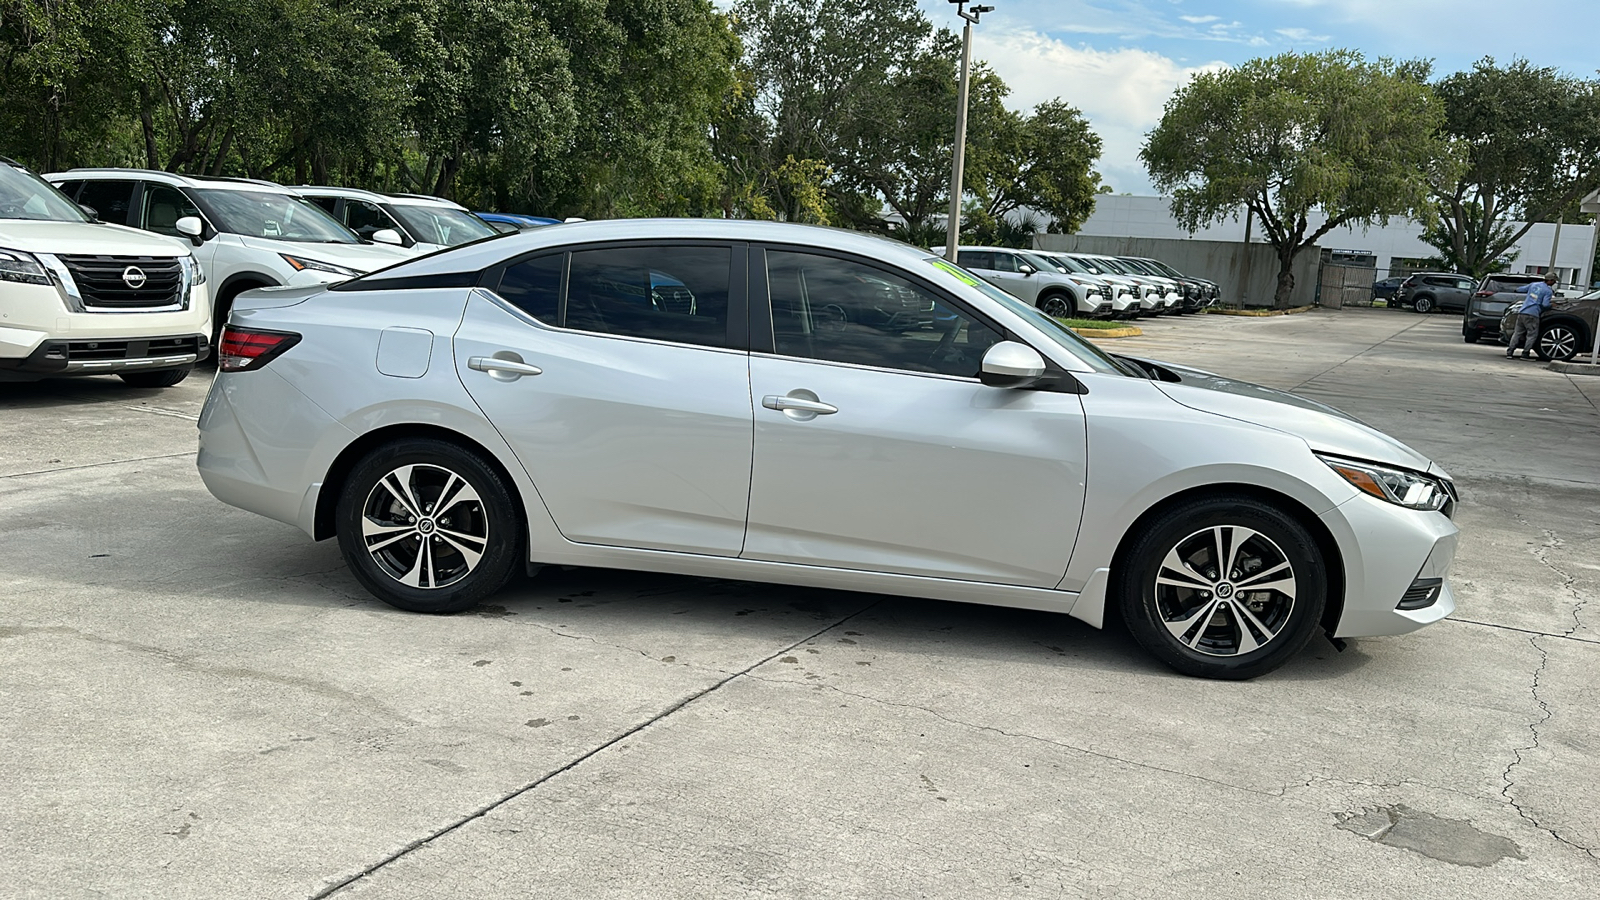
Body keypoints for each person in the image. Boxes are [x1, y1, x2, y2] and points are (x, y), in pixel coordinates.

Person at [1507, 272, 1557, 359]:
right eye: (1554, 281)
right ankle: (1525, 353)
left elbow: (1520, 289)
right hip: (1533, 314)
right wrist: (1551, 305)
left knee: (1517, 333)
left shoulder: (1534, 285)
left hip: (1522, 311)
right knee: (1532, 335)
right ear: (1549, 280)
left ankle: (1510, 352)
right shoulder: (1548, 291)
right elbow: (1545, 305)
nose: (1554, 283)